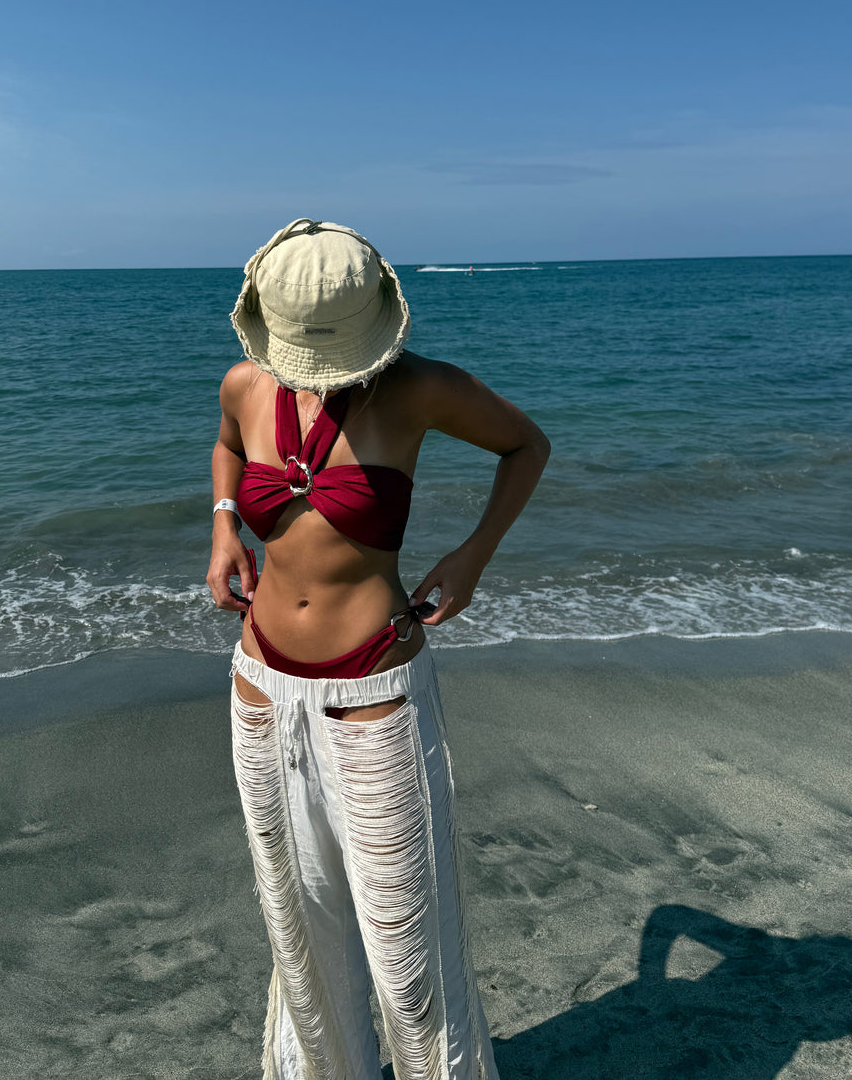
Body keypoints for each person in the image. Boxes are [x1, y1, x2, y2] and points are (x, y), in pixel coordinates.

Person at [207, 218, 550, 1080]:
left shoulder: (420, 389)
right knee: (299, 930)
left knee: (409, 959)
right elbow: (223, 447)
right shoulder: (247, 384)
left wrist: (474, 553)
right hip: (258, 691)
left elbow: (525, 444)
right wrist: (222, 528)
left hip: (373, 695)